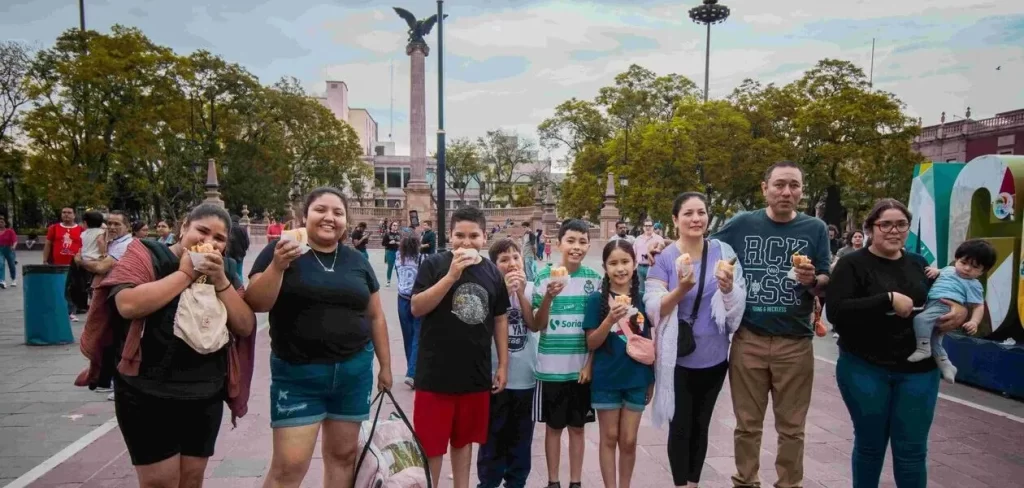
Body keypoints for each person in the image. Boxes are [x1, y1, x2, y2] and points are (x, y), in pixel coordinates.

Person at [78, 203, 256, 488]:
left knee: (191, 479)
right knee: (160, 482)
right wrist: (185, 274)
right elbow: (128, 305)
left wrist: (220, 280)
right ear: (184, 227)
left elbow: (245, 325)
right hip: (146, 391)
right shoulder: (146, 253)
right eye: (202, 231)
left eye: (219, 239)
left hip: (204, 392)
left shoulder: (226, 270)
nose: (209, 242)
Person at [246, 187, 392, 488]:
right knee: (289, 467)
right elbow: (257, 302)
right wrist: (278, 265)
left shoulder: (357, 260)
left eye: (338, 213)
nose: (330, 218)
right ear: (304, 216)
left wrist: (386, 366)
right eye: (321, 210)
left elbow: (376, 315)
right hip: (299, 375)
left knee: (343, 457)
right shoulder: (281, 252)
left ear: (345, 221)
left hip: (353, 373)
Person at [827, 198, 967, 488]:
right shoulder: (851, 264)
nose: (894, 231)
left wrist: (959, 311)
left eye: (901, 224)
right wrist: (887, 299)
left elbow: (944, 299)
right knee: (870, 445)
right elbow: (837, 314)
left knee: (912, 450)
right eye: (885, 224)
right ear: (870, 229)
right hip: (864, 367)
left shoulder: (919, 264)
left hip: (918, 371)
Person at [710, 161, 831, 488]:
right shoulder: (742, 224)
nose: (787, 192)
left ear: (802, 191)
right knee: (747, 425)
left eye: (794, 185)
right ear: (765, 188)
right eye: (779, 184)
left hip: (795, 344)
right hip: (749, 339)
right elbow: (708, 249)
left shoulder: (815, 229)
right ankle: (745, 482)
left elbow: (825, 280)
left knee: (792, 428)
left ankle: (789, 484)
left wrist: (812, 279)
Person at [646, 192, 745, 488]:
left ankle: (693, 483)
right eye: (688, 213)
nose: (696, 219)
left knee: (702, 426)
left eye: (701, 213)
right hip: (678, 357)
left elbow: (738, 301)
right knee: (681, 426)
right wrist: (681, 289)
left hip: (715, 356)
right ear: (675, 219)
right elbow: (654, 307)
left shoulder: (722, 250)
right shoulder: (664, 258)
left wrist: (728, 290)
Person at [411, 206, 510, 488]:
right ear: (450, 236)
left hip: (475, 375)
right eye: (459, 236)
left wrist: (503, 364)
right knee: (431, 445)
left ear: (484, 237)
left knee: (464, 442)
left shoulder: (492, 272)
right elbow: (417, 307)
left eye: (473, 236)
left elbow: (500, 318)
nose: (466, 243)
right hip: (435, 374)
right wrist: (451, 276)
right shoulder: (434, 265)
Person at [532, 219, 600, 488]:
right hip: (551, 368)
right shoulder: (542, 277)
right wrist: (549, 296)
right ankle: (553, 481)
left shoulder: (594, 280)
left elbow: (595, 330)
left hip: (581, 370)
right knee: (553, 427)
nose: (576, 247)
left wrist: (590, 364)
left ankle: (575, 482)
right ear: (558, 243)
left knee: (578, 428)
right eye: (571, 241)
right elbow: (537, 324)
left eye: (582, 242)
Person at [583, 240, 654, 488]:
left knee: (629, 439)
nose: (620, 268)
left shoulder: (644, 299)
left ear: (635, 264)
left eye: (625, 262)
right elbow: (591, 342)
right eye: (613, 263)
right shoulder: (596, 301)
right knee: (610, 437)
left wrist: (651, 379)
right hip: (606, 379)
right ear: (605, 267)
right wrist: (609, 320)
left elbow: (650, 341)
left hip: (637, 377)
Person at [477, 238, 538, 488]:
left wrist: (521, 294)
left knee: (521, 440)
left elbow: (534, 323)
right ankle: (488, 482)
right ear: (494, 266)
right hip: (495, 377)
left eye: (516, 258)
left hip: (526, 377)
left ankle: (516, 482)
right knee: (492, 438)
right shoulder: (488, 290)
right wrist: (502, 291)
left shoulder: (533, 289)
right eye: (504, 260)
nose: (512, 263)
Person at [911, 239, 993, 382]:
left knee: (920, 319)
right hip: (932, 304)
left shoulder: (974, 285)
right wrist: (935, 271)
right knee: (934, 339)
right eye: (963, 263)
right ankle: (946, 365)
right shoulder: (949, 270)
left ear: (982, 271)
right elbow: (941, 272)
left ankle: (923, 349)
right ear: (956, 259)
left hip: (946, 306)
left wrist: (974, 321)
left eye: (974, 267)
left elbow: (978, 305)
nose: (967, 269)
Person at [396, 235, 421, 389]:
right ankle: (412, 373)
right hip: (417, 298)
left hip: (401, 298)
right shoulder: (422, 258)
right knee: (418, 336)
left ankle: (411, 370)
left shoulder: (399, 257)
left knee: (408, 336)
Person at [633, 218, 663, 295]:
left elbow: (661, 253)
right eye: (646, 225)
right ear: (643, 227)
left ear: (653, 227)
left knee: (652, 291)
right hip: (640, 268)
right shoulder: (638, 239)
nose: (648, 227)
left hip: (653, 268)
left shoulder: (659, 239)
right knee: (640, 291)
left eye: (650, 225)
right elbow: (633, 254)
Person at [0, 217, 17, 289]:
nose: (0, 223)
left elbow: (15, 240)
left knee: (12, 265)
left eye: (2, 222)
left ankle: (13, 279)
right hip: (0, 250)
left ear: (5, 223)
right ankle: (2, 281)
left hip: (9, 249)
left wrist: (13, 246)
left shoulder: (10, 231)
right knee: (1, 264)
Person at [383, 221, 401, 287]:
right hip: (390, 251)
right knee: (390, 266)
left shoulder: (399, 234)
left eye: (396, 225)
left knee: (398, 267)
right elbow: (383, 243)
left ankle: (400, 281)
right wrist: (389, 243)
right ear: (391, 226)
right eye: (394, 225)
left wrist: (400, 243)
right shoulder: (387, 234)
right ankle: (388, 281)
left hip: (398, 252)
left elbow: (402, 242)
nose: (395, 226)